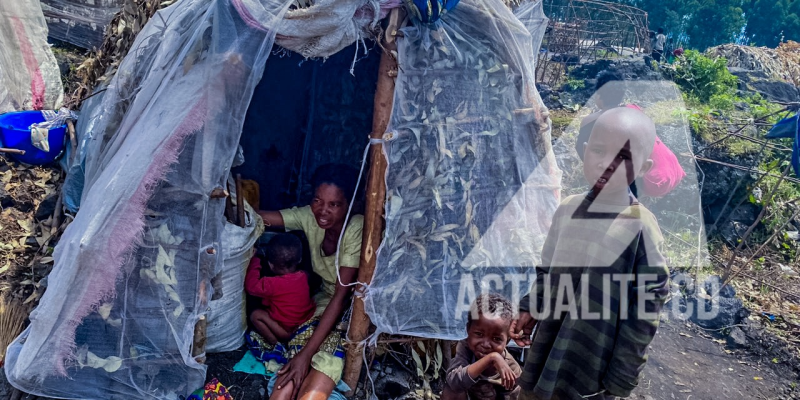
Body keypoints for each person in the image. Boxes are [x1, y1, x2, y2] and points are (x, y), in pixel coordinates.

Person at [510, 108, 670, 400]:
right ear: (584, 152)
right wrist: (531, 307)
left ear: (643, 168)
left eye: (624, 157)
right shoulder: (568, 209)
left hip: (593, 364)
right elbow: (547, 270)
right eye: (599, 150)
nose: (607, 163)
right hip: (548, 347)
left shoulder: (641, 228)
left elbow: (646, 310)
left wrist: (622, 375)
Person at [256, 163, 363, 400]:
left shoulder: (355, 227)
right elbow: (263, 218)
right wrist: (229, 204)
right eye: (317, 201)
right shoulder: (309, 217)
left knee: (310, 392)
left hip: (346, 314)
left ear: (350, 205)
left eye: (334, 204)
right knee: (282, 393)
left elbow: (340, 296)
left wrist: (305, 356)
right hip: (319, 307)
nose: (323, 211)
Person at [443, 294, 522, 400]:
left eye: (496, 339)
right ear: (468, 329)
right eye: (479, 334)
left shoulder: (512, 368)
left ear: (507, 341)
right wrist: (491, 358)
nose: (485, 345)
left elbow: (516, 396)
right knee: (451, 390)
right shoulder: (465, 348)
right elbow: (454, 383)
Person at [246, 233, 316, 345]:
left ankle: (275, 343)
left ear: (270, 265)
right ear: (299, 260)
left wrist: (254, 260)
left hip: (285, 331)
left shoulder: (272, 284)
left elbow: (251, 286)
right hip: (303, 324)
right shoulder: (304, 276)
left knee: (256, 315)